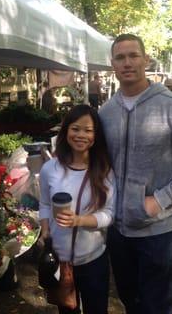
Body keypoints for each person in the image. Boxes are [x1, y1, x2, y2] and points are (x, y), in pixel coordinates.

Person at [99, 33, 172, 314]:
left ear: (146, 59)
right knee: (130, 300)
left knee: (158, 305)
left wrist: (161, 200)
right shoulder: (105, 112)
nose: (127, 63)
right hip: (116, 228)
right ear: (112, 64)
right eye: (120, 57)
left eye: (133, 56)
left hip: (156, 230)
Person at [39, 104, 115, 314]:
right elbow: (45, 203)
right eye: (75, 128)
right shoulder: (50, 169)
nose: (81, 135)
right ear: (66, 131)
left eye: (88, 130)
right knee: (67, 310)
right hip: (61, 259)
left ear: (96, 135)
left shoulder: (104, 170)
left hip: (93, 260)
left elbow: (110, 214)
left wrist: (80, 220)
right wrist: (45, 229)